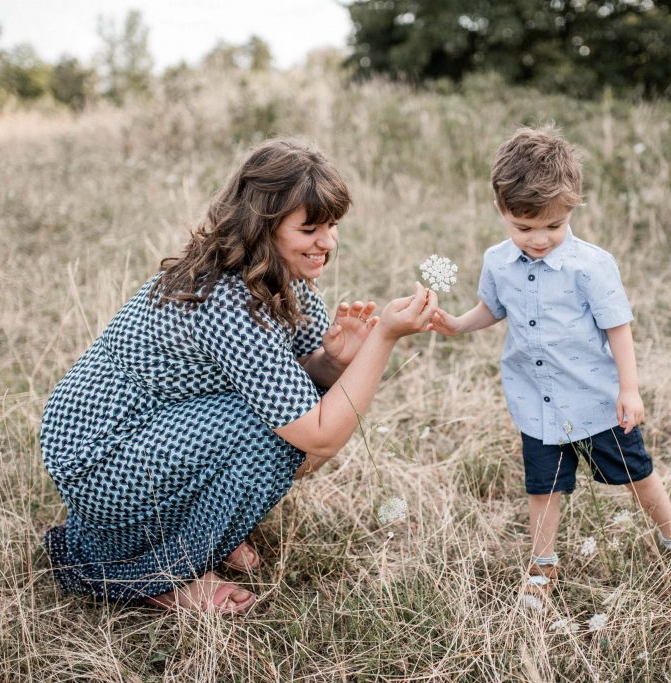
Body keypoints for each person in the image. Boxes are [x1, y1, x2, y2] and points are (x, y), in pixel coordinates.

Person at [41, 139, 438, 614]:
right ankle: (161, 571)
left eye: (332, 226)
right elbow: (320, 436)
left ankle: (197, 526)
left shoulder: (276, 275)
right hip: (101, 461)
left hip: (145, 434)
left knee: (300, 400)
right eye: (310, 228)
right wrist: (383, 339)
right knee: (278, 435)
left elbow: (293, 378)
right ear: (262, 226)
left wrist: (333, 363)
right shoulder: (229, 302)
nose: (328, 243)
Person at [429, 126, 671, 606]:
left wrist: (629, 390)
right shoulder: (497, 261)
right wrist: (457, 324)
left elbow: (618, 327)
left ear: (571, 208)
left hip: (595, 401)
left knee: (636, 473)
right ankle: (543, 563)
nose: (539, 239)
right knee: (543, 486)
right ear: (501, 211)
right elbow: (493, 308)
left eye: (552, 226)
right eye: (524, 228)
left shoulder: (591, 265)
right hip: (536, 403)